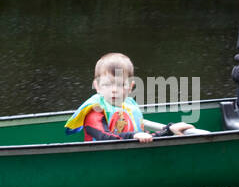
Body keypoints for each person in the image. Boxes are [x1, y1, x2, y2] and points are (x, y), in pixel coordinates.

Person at [65, 53, 195, 142]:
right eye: (107, 84)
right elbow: (105, 138)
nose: (114, 90)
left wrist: (169, 130)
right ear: (97, 86)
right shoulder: (95, 112)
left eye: (121, 84)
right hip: (104, 161)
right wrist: (134, 135)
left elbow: (144, 138)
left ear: (130, 86)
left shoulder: (129, 106)